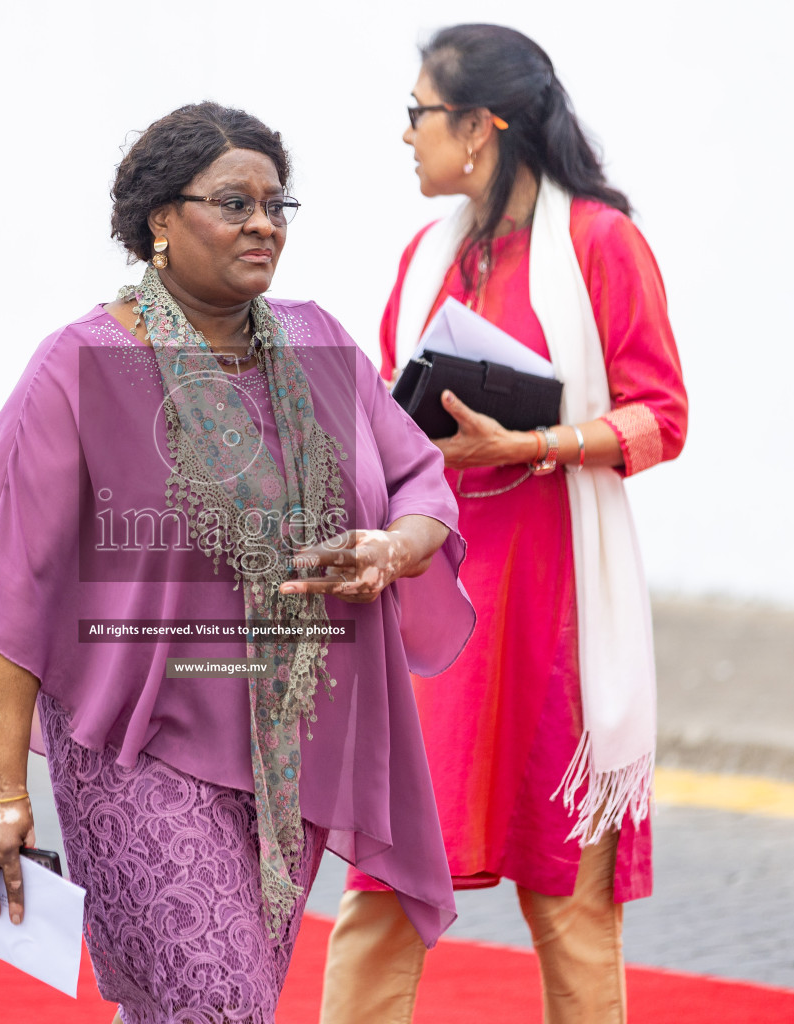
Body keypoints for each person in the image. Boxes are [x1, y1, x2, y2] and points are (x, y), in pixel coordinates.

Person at [0, 101, 476, 1024]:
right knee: (221, 1011)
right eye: (234, 202)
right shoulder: (82, 365)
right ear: (159, 220)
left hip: (292, 745)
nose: (264, 223)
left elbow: (423, 483)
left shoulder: (317, 346)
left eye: (278, 205)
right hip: (137, 752)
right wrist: (0, 793)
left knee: (184, 1012)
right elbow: (15, 587)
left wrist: (390, 549)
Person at [319, 25, 688, 1024]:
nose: (406, 137)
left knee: (570, 901)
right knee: (385, 884)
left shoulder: (603, 245)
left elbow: (663, 416)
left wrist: (530, 446)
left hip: (556, 609)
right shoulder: (425, 254)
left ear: (480, 128)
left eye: (419, 115)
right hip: (437, 610)